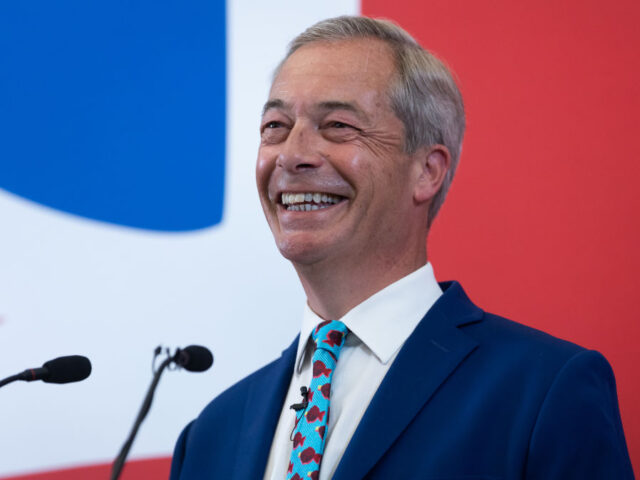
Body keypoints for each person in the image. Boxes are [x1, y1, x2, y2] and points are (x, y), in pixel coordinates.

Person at [170, 16, 634, 479]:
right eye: (275, 125)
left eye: (336, 125)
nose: (292, 154)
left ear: (427, 171)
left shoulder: (545, 391)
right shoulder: (211, 435)